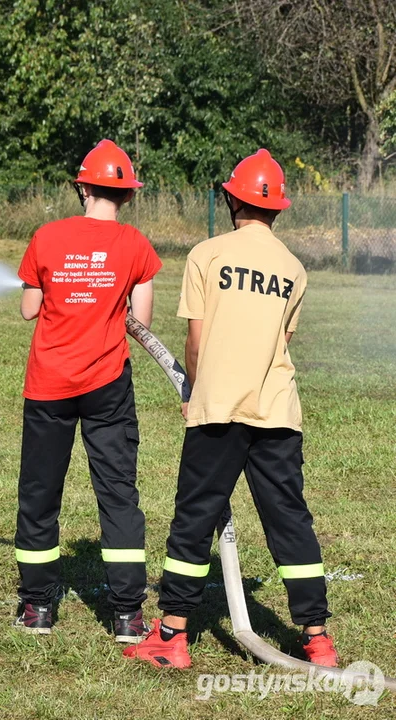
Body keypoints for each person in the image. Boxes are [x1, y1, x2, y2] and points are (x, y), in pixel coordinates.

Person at [125, 149, 338, 669]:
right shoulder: (294, 268)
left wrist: (195, 390)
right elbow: (280, 341)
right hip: (277, 411)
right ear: (278, 210)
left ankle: (172, 634)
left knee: (194, 517)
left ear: (230, 198)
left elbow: (195, 342)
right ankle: (318, 638)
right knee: (289, 520)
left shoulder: (207, 254)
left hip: (218, 408)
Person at [13, 139, 162, 644]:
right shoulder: (136, 245)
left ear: (82, 186)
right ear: (126, 196)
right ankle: (127, 616)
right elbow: (140, 325)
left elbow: (29, 309)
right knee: (118, 494)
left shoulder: (47, 236)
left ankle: (36, 608)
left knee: (40, 493)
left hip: (49, 384)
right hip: (107, 387)